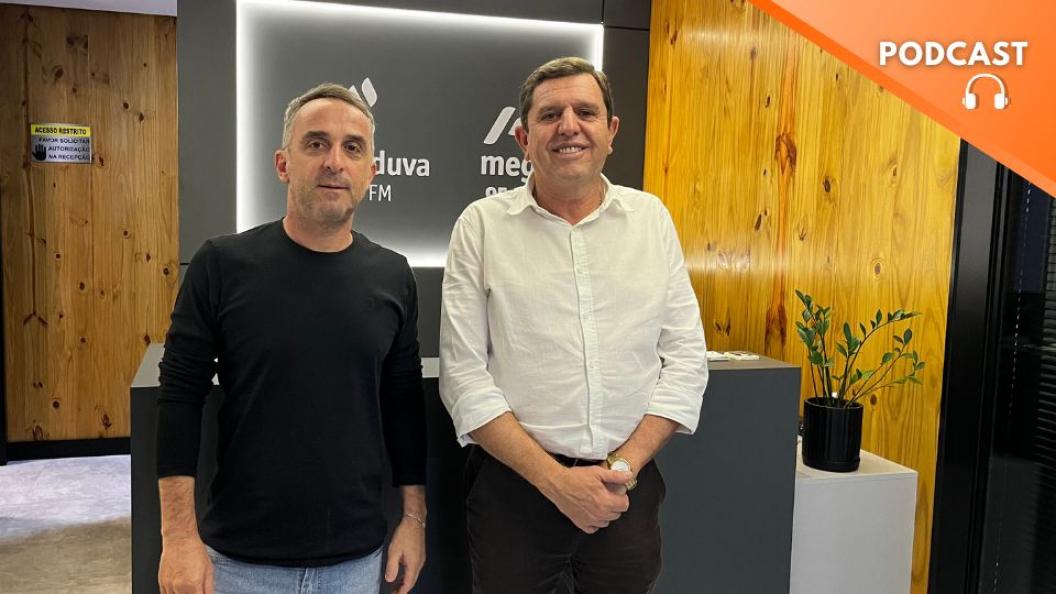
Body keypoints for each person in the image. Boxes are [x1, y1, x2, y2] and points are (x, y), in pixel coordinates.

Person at [439, 57, 710, 593]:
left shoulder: (651, 220)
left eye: (585, 112)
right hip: (515, 493)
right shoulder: (481, 226)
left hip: (624, 492)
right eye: (549, 115)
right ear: (523, 138)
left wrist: (623, 468)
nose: (569, 126)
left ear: (611, 131)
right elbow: (464, 376)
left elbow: (686, 360)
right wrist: (557, 482)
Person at [156, 83, 427, 594]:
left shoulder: (393, 276)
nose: (334, 161)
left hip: (357, 563)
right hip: (237, 562)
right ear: (283, 164)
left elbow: (404, 406)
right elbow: (179, 398)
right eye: (316, 143)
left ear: (371, 172)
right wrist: (178, 537)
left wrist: (414, 519)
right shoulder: (221, 265)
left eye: (352, 148)